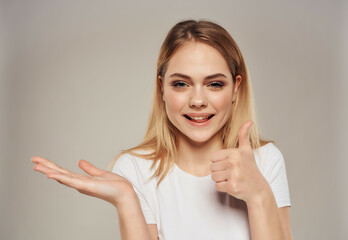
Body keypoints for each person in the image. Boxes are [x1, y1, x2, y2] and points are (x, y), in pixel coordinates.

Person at [32, 19, 292, 240]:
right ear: (162, 89)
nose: (198, 101)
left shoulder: (265, 160)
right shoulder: (135, 169)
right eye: (181, 84)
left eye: (214, 84)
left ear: (235, 88)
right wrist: (127, 200)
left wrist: (258, 194)